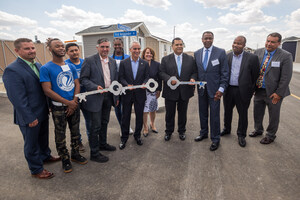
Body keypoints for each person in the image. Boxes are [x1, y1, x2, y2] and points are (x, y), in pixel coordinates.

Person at [3, 38, 60, 179]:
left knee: (43, 138)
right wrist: (29, 117)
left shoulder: (39, 66)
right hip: (29, 115)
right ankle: (36, 169)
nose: (31, 51)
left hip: (43, 111)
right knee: (32, 143)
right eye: (27, 49)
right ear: (17, 51)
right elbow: (17, 98)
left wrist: (49, 105)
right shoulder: (12, 70)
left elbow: (43, 89)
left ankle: (45, 156)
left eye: (32, 48)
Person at [40, 38, 87, 173]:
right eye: (57, 46)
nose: (61, 48)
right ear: (50, 49)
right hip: (59, 107)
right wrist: (68, 103)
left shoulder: (70, 66)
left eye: (62, 46)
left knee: (75, 132)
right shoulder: (46, 68)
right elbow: (47, 90)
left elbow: (77, 84)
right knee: (60, 135)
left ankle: (75, 154)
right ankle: (65, 158)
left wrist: (74, 102)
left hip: (74, 104)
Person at [249, 32, 293, 144]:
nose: (269, 44)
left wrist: (279, 93)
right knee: (257, 112)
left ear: (279, 43)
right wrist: (252, 87)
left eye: (273, 42)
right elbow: (253, 70)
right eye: (268, 41)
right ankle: (258, 130)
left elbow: (286, 77)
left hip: (274, 92)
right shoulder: (258, 52)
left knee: (273, 115)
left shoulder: (285, 56)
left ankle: (270, 135)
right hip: (259, 90)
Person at [80, 38, 118, 162]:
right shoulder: (89, 60)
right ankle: (94, 153)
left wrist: (116, 97)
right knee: (95, 126)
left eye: (107, 47)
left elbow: (115, 80)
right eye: (102, 47)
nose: (105, 49)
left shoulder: (112, 61)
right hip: (95, 97)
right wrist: (95, 87)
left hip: (108, 96)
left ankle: (103, 144)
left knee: (104, 122)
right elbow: (84, 79)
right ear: (97, 47)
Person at [221, 36, 260, 147]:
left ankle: (241, 135)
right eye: (234, 42)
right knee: (227, 111)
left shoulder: (252, 58)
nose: (236, 45)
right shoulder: (227, 56)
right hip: (228, 90)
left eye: (239, 43)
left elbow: (255, 75)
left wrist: (251, 89)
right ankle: (226, 129)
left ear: (244, 45)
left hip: (243, 91)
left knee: (242, 114)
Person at [194, 31, 229, 151]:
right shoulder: (197, 53)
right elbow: (198, 72)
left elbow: (225, 73)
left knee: (214, 116)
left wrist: (221, 89)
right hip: (202, 90)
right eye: (206, 38)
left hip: (215, 91)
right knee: (202, 113)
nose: (208, 40)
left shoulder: (220, 52)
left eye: (210, 38)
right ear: (202, 39)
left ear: (213, 39)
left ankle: (215, 139)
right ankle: (203, 133)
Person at [159, 37, 197, 142]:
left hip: (185, 91)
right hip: (170, 91)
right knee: (170, 113)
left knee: (182, 113)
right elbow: (161, 73)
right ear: (172, 46)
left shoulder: (190, 59)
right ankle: (168, 132)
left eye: (181, 44)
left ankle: (181, 131)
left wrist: (193, 78)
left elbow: (194, 72)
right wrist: (169, 79)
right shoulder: (165, 59)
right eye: (177, 45)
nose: (179, 46)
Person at [118, 41, 149, 149]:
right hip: (127, 94)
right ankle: (124, 138)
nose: (137, 51)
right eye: (134, 49)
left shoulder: (144, 63)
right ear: (130, 50)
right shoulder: (124, 63)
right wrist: (127, 84)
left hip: (140, 94)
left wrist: (145, 82)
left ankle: (137, 136)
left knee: (139, 116)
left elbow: (147, 76)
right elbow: (120, 77)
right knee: (125, 116)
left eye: (138, 49)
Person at [65, 43, 88, 152]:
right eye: (71, 51)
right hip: (74, 98)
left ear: (79, 50)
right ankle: (78, 142)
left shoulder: (85, 62)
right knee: (75, 123)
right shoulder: (65, 65)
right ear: (67, 53)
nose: (74, 52)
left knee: (90, 120)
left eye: (76, 50)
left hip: (87, 96)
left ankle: (92, 139)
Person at [110, 38, 133, 135]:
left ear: (122, 45)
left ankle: (127, 126)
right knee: (117, 108)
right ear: (113, 46)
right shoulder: (110, 58)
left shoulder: (128, 57)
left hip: (125, 86)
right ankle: (122, 126)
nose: (117, 46)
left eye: (119, 44)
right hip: (114, 87)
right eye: (115, 45)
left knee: (126, 108)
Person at [141, 47, 162, 136]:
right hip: (143, 91)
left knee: (152, 109)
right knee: (144, 110)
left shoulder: (157, 64)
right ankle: (145, 127)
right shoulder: (140, 63)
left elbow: (159, 78)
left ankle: (152, 124)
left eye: (150, 53)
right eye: (147, 53)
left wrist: (159, 90)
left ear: (153, 55)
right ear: (144, 54)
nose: (149, 54)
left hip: (153, 91)